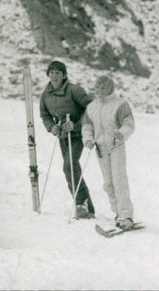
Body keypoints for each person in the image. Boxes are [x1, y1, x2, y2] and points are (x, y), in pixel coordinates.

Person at [39, 60, 96, 218]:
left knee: (70, 164)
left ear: (64, 75)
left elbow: (91, 107)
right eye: (52, 72)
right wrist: (52, 127)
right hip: (63, 135)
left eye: (58, 72)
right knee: (68, 168)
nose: (54, 75)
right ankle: (84, 206)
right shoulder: (46, 95)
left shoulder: (74, 90)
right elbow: (45, 115)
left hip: (78, 134)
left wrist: (76, 124)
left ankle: (82, 202)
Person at [82, 75, 136, 230]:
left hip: (116, 146)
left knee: (119, 181)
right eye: (98, 87)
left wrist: (122, 134)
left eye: (104, 87)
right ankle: (118, 213)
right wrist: (88, 139)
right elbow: (87, 126)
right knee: (108, 184)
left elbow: (129, 123)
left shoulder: (119, 105)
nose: (100, 90)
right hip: (100, 149)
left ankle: (126, 215)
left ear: (111, 88)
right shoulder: (91, 107)